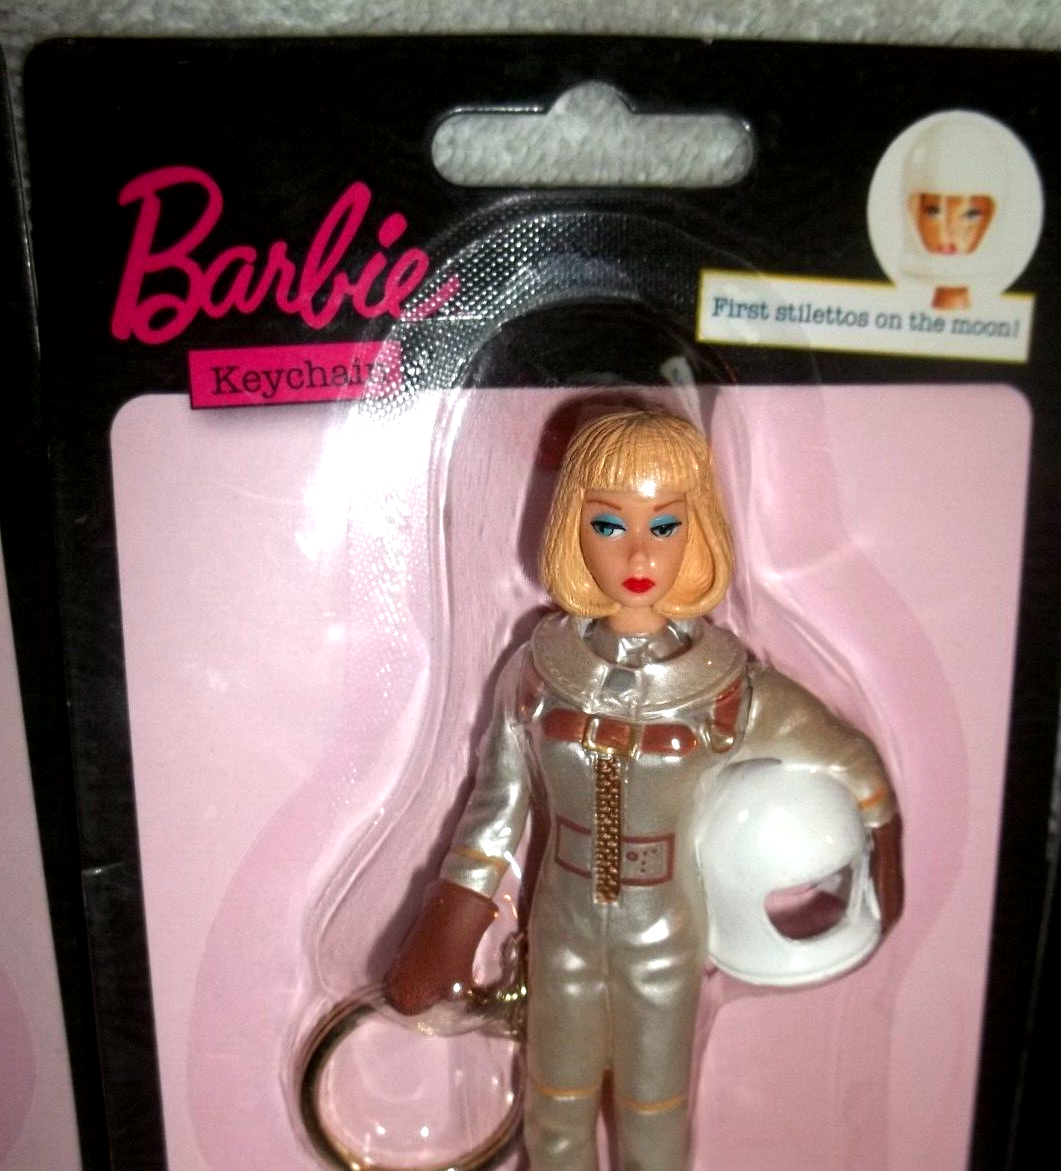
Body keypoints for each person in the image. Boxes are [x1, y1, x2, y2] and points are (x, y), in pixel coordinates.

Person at [385, 406, 902, 1171]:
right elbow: (495, 807)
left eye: (663, 525)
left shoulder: (726, 687)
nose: (636, 552)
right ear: (573, 525)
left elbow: (843, 752)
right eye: (608, 523)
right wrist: (450, 919)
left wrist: (883, 839)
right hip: (559, 925)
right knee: (553, 1111)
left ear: (696, 529)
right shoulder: (537, 672)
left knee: (653, 1119)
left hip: (663, 933)